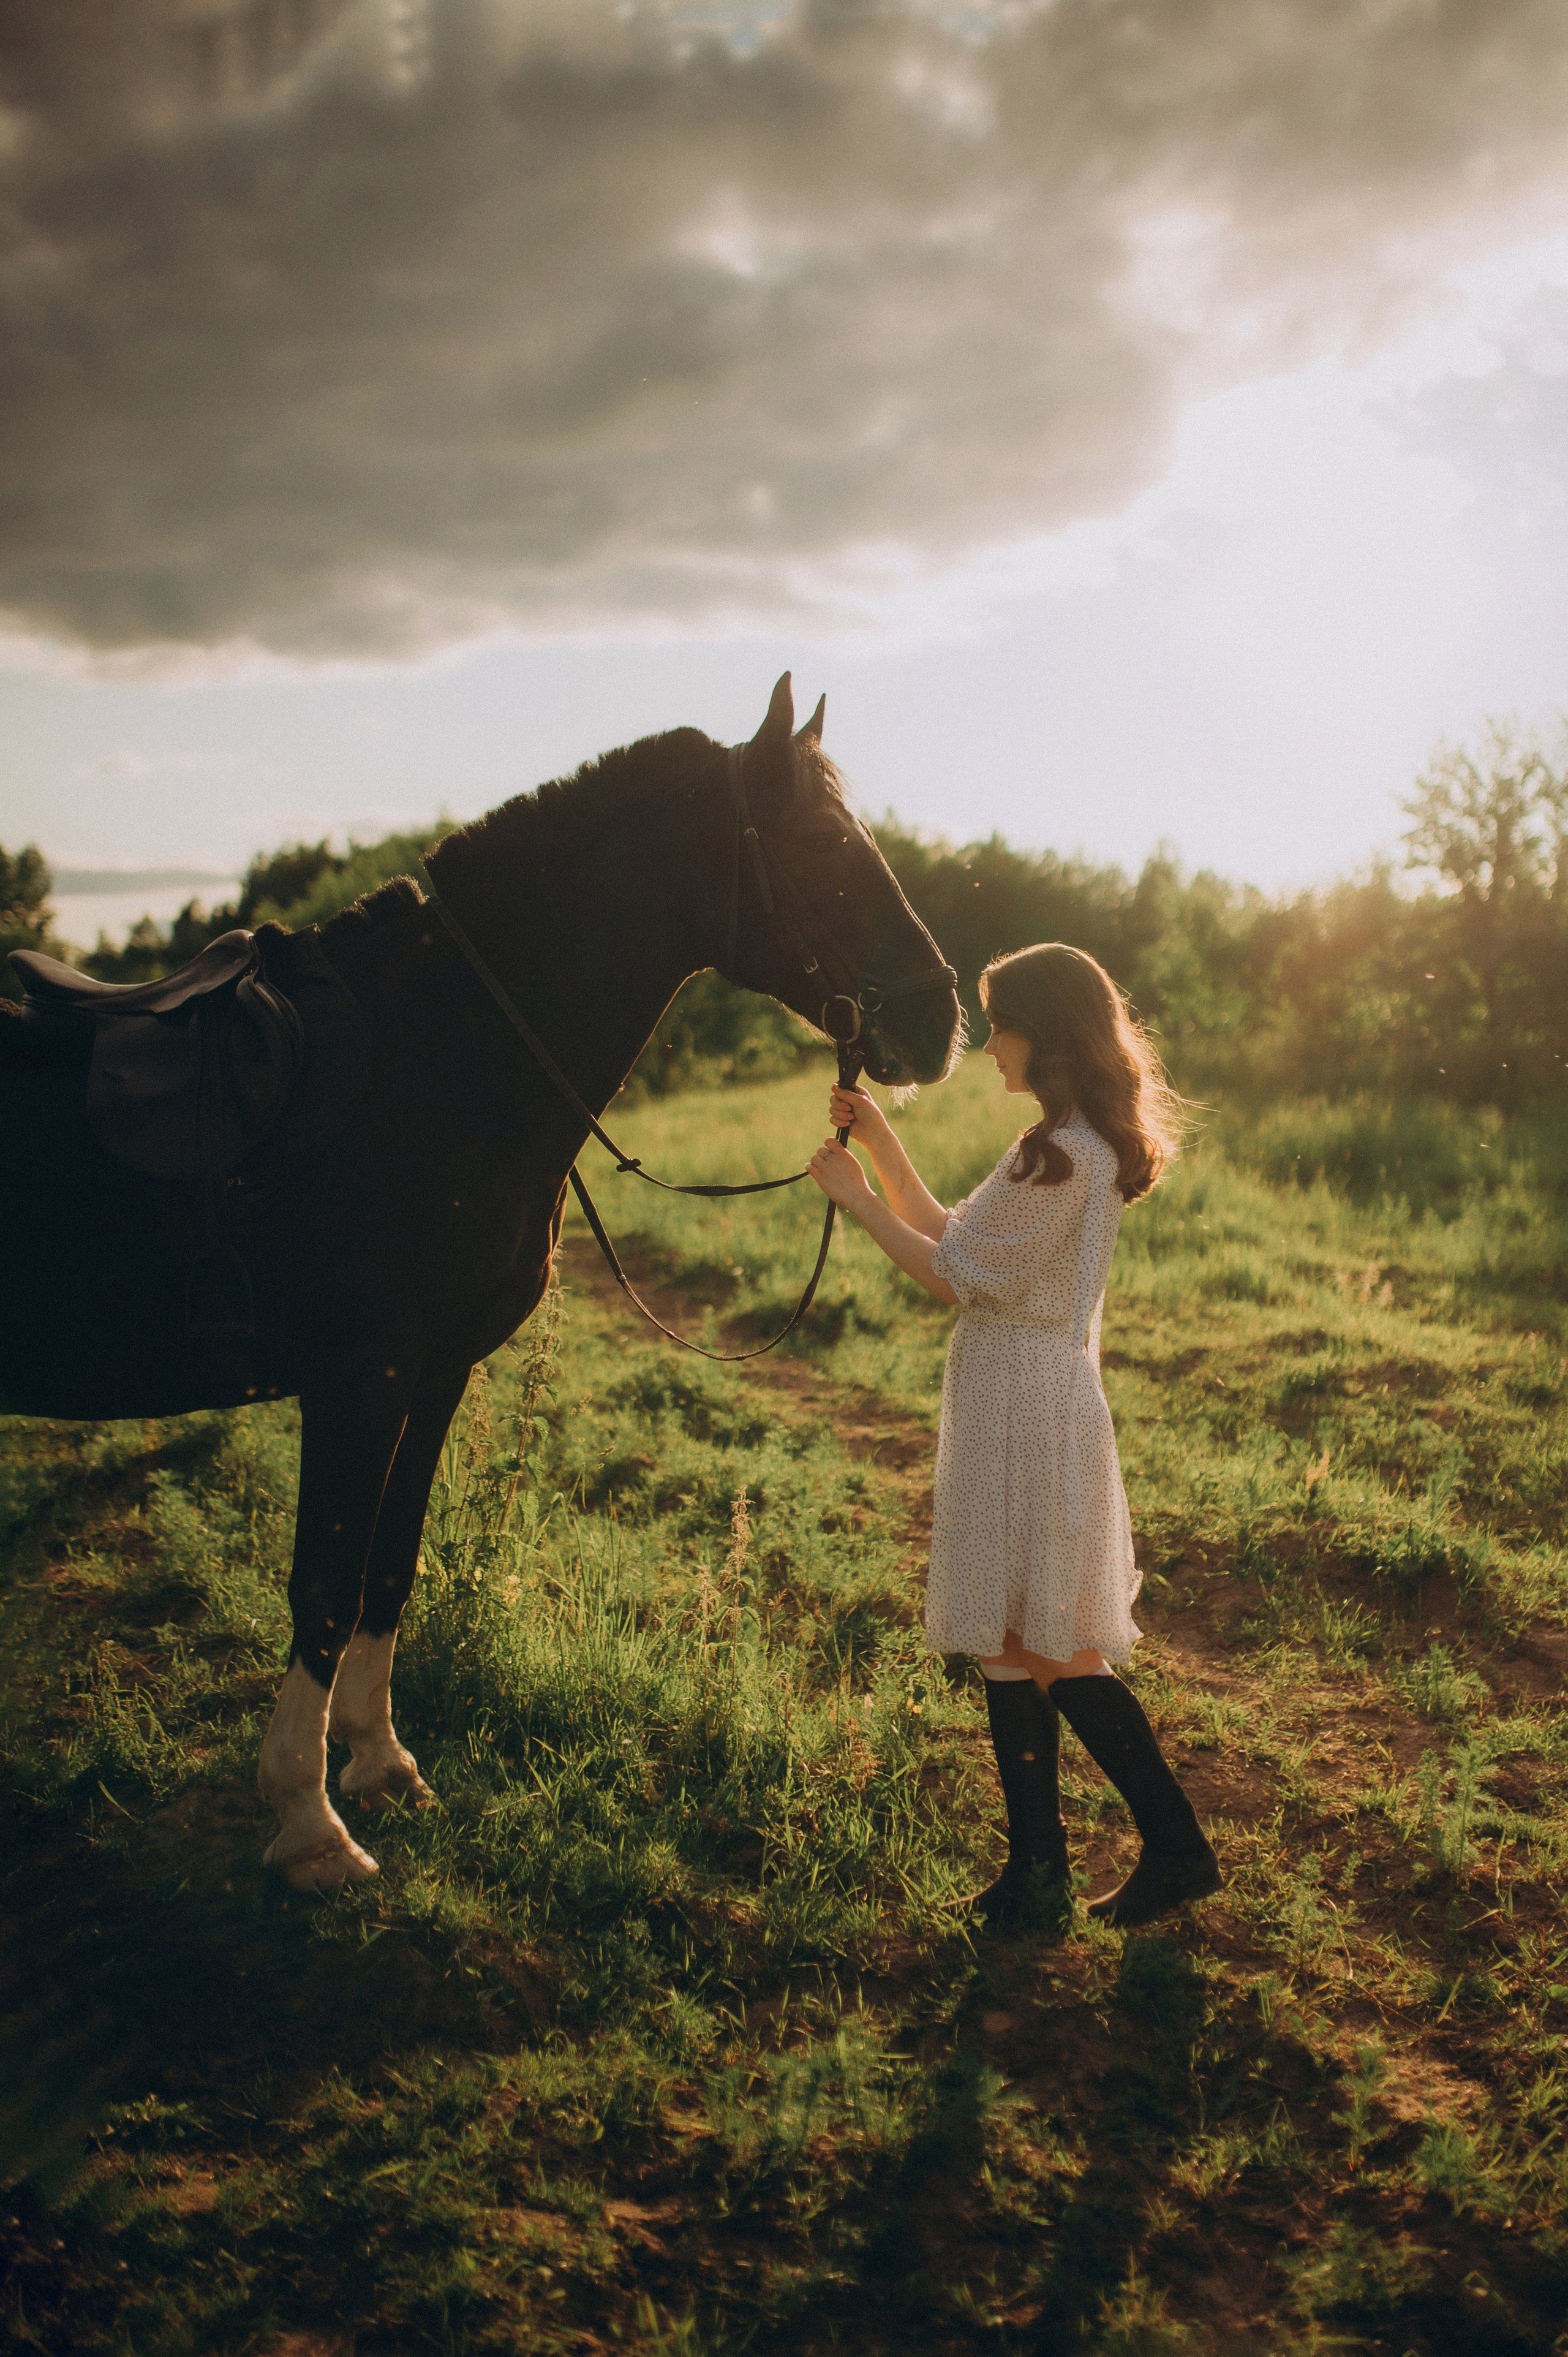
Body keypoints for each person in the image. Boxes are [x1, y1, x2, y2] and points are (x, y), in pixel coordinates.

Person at [807, 943, 1219, 1931]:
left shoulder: (1062, 1155)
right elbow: (963, 1240)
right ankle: (1037, 1877)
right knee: (1003, 1638)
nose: (992, 1045)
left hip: (1028, 1405)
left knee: (1056, 1645)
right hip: (1014, 1394)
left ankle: (1177, 1847)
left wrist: (857, 1201)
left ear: (1048, 1033)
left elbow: (954, 1277)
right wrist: (883, 1153)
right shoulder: (1063, 1143)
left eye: (1002, 1024)